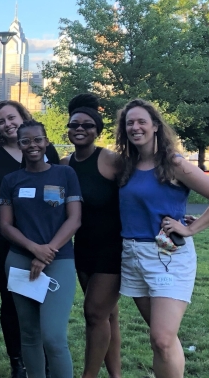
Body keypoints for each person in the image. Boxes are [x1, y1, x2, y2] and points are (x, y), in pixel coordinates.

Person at [115, 99, 209, 378]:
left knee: (162, 338)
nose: (135, 127)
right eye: (129, 122)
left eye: (141, 121)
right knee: (163, 341)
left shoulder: (173, 163)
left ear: (155, 126)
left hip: (167, 256)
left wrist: (191, 228)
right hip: (132, 256)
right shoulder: (127, 165)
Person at [0, 100, 60, 378]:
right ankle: (18, 361)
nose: (8, 124)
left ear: (23, 116)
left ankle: (45, 358)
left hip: (46, 242)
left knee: (44, 302)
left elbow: (58, 195)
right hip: (5, 241)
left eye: (12, 118)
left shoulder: (46, 150)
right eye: (1, 121)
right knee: (12, 302)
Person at [0, 119, 82, 378]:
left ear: (46, 142)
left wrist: (48, 252)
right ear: (19, 145)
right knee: (30, 334)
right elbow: (5, 226)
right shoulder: (11, 180)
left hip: (59, 261)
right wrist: (35, 249)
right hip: (21, 262)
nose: (32, 145)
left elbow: (74, 219)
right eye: (26, 141)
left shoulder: (65, 174)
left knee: (54, 337)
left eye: (37, 140)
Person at [59, 94, 122, 378]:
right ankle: (116, 375)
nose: (80, 129)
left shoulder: (111, 161)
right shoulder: (64, 164)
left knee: (95, 314)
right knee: (108, 316)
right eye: (74, 125)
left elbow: (143, 192)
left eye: (87, 125)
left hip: (114, 250)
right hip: (83, 248)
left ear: (98, 130)